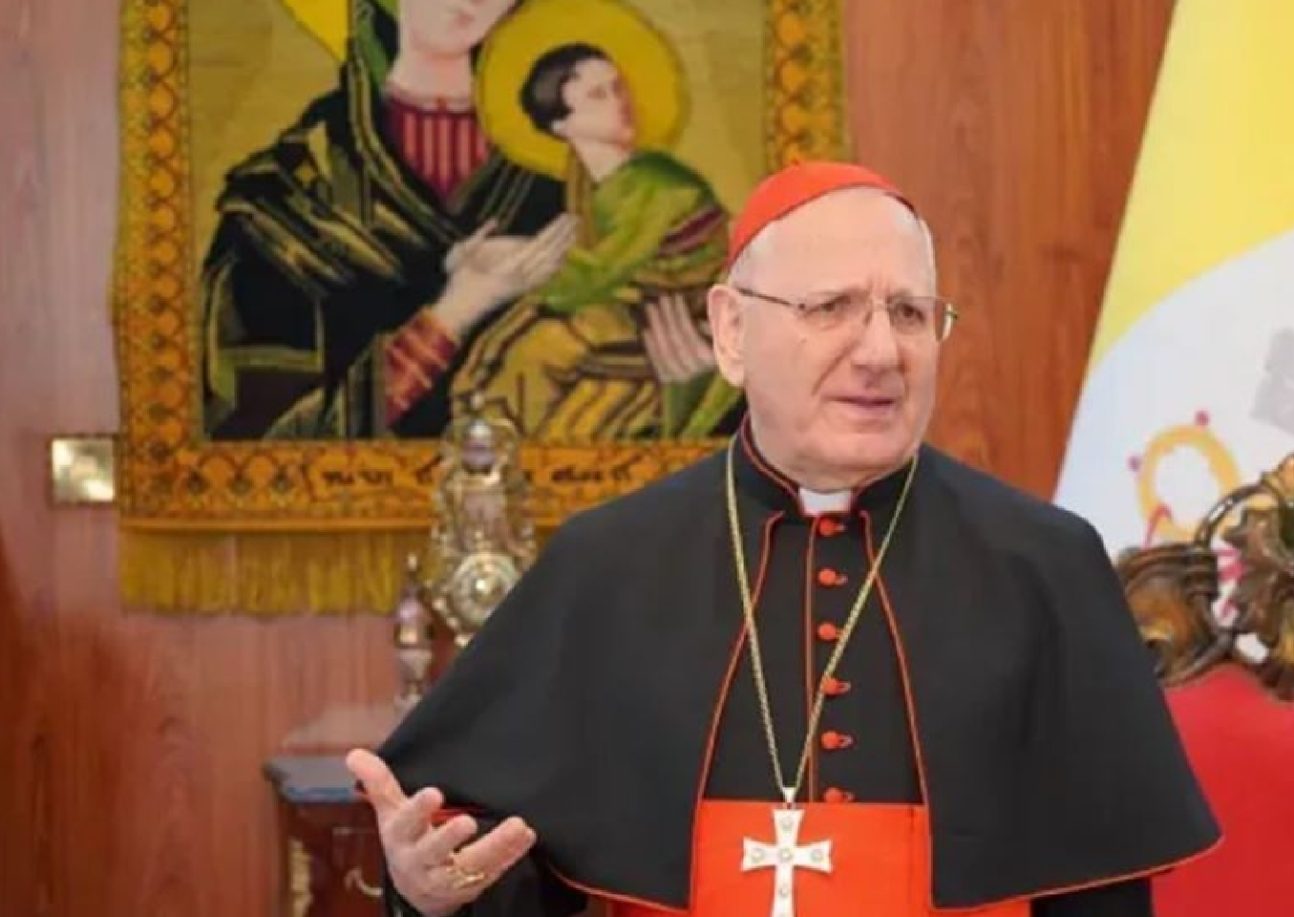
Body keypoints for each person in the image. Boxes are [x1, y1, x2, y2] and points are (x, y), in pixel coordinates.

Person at [349, 161, 1219, 916]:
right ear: (730, 331)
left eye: (911, 313)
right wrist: (433, 894)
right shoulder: (606, 566)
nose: (881, 349)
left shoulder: (1044, 566)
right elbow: (507, 871)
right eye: (832, 306)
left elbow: (1105, 894)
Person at [200, 0, 576, 440]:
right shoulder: (287, 199)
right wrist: (450, 318)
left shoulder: (567, 180)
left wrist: (676, 381)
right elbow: (251, 451)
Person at [454, 43, 741, 440]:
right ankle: (487, 434)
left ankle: (494, 432)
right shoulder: (586, 182)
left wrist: (520, 281)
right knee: (514, 338)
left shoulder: (655, 182)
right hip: (631, 299)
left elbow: (601, 269)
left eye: (618, 87)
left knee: (541, 344)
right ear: (561, 125)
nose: (620, 102)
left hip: (677, 307)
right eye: (598, 95)